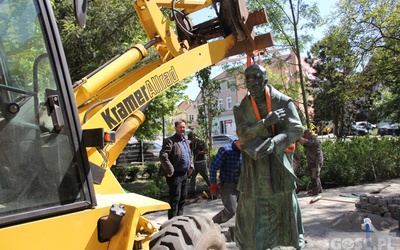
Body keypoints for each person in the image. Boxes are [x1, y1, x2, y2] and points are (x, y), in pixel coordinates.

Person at [233, 64, 305, 249]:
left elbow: (296, 129)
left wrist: (275, 143)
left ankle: (293, 238)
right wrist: (265, 123)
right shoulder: (242, 107)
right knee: (254, 202)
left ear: (265, 82)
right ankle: (253, 242)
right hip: (255, 164)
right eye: (250, 86)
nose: (253, 90)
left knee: (285, 198)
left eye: (257, 85)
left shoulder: (283, 101)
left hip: (279, 161)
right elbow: (243, 134)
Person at [159, 119, 194, 219]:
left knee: (183, 198)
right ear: (176, 128)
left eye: (183, 127)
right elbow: (163, 156)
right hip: (174, 175)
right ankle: (172, 222)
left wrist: (191, 166)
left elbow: (189, 154)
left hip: (184, 174)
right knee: (175, 199)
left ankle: (179, 220)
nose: (182, 129)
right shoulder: (170, 141)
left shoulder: (185, 140)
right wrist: (170, 169)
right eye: (180, 127)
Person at [209, 139, 242, 224]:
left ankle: (241, 232)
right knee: (230, 211)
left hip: (243, 184)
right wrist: (213, 184)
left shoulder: (245, 151)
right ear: (239, 140)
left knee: (245, 211)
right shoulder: (226, 150)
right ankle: (211, 224)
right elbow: (213, 167)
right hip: (229, 184)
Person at [298, 129, 323, 195]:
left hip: (315, 161)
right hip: (312, 160)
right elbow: (304, 144)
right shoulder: (310, 140)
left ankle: (315, 190)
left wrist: (299, 138)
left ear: (309, 134)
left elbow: (307, 143)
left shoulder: (314, 139)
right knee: (315, 174)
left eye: (305, 135)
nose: (305, 136)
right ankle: (319, 188)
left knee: (314, 175)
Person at [187, 132, 211, 198]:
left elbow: (206, 150)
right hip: (195, 163)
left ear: (195, 137)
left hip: (202, 162)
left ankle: (213, 189)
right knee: (192, 177)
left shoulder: (201, 142)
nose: (191, 140)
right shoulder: (192, 144)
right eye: (190, 139)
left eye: (192, 138)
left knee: (206, 177)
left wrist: (200, 152)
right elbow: (190, 151)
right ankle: (193, 192)